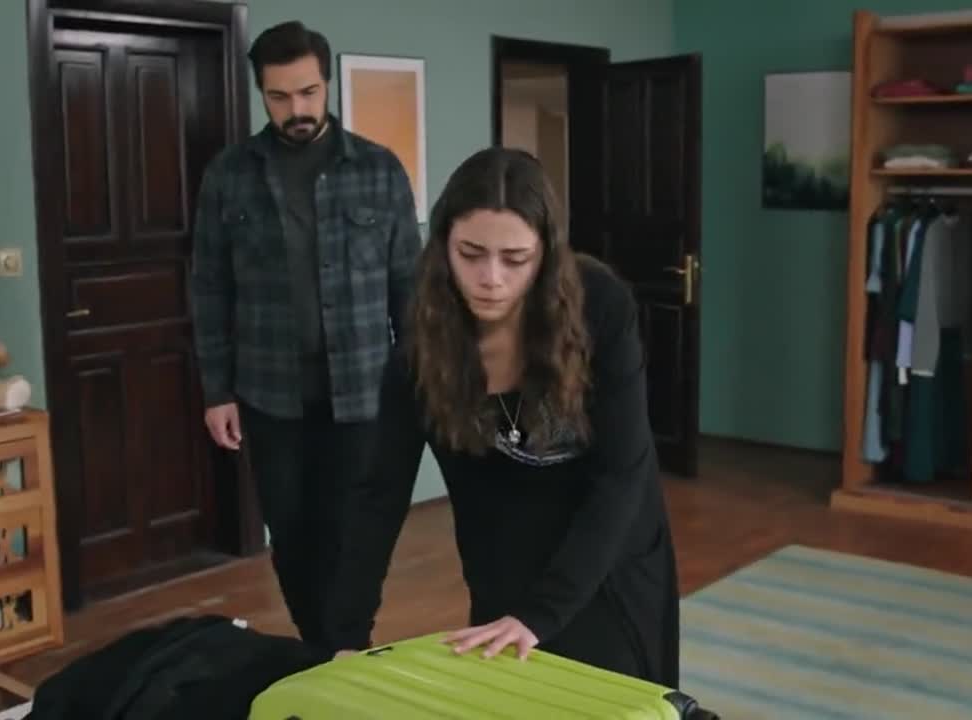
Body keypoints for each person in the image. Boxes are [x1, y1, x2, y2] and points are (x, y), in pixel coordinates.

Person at [322, 147, 681, 686]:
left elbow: (621, 476)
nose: (490, 278)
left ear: (546, 256)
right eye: (471, 254)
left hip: (608, 557)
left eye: (516, 259)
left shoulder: (600, 306)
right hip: (503, 563)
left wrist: (542, 613)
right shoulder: (422, 348)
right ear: (443, 246)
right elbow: (379, 496)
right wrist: (345, 637)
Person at [190, 20, 421, 646]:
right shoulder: (229, 175)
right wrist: (217, 390)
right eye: (280, 96)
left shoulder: (379, 170)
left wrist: (417, 387)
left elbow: (410, 288)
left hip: (364, 394)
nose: (297, 109)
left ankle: (344, 647)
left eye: (309, 92)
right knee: (292, 535)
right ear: (261, 94)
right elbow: (209, 287)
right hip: (270, 396)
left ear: (327, 85)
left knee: (354, 535)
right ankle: (324, 648)